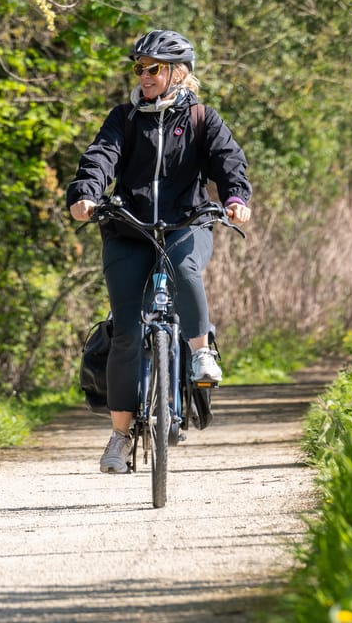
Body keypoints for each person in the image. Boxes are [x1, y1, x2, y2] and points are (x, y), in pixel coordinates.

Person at [67, 27, 252, 475]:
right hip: (128, 230)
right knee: (127, 331)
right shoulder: (124, 118)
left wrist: (235, 199)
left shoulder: (203, 119)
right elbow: (99, 158)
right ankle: (119, 436)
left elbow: (229, 162)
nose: (144, 75)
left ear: (178, 73)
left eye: (153, 68)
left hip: (186, 223)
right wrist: (86, 194)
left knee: (187, 270)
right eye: (139, 68)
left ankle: (200, 352)